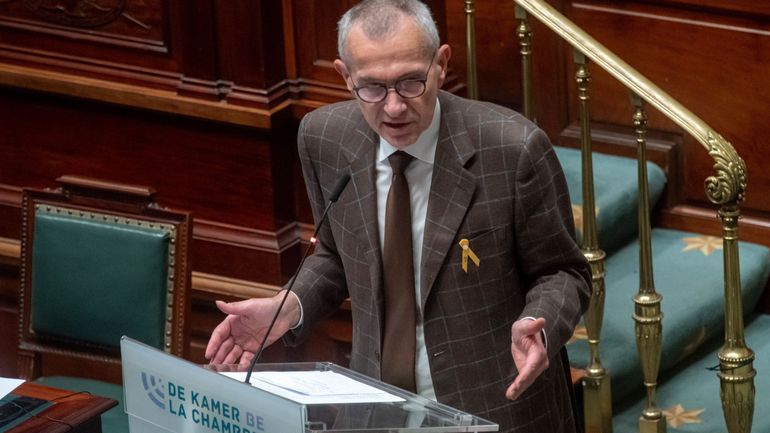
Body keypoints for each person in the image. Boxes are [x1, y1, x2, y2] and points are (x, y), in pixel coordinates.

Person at [205, 1, 591, 432]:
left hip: (495, 406)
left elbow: (564, 272)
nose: (393, 108)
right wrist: (287, 308)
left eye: (411, 83)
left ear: (441, 65)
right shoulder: (324, 139)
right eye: (371, 87)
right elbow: (335, 255)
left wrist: (538, 326)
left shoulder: (512, 150)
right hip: (376, 408)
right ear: (344, 76)